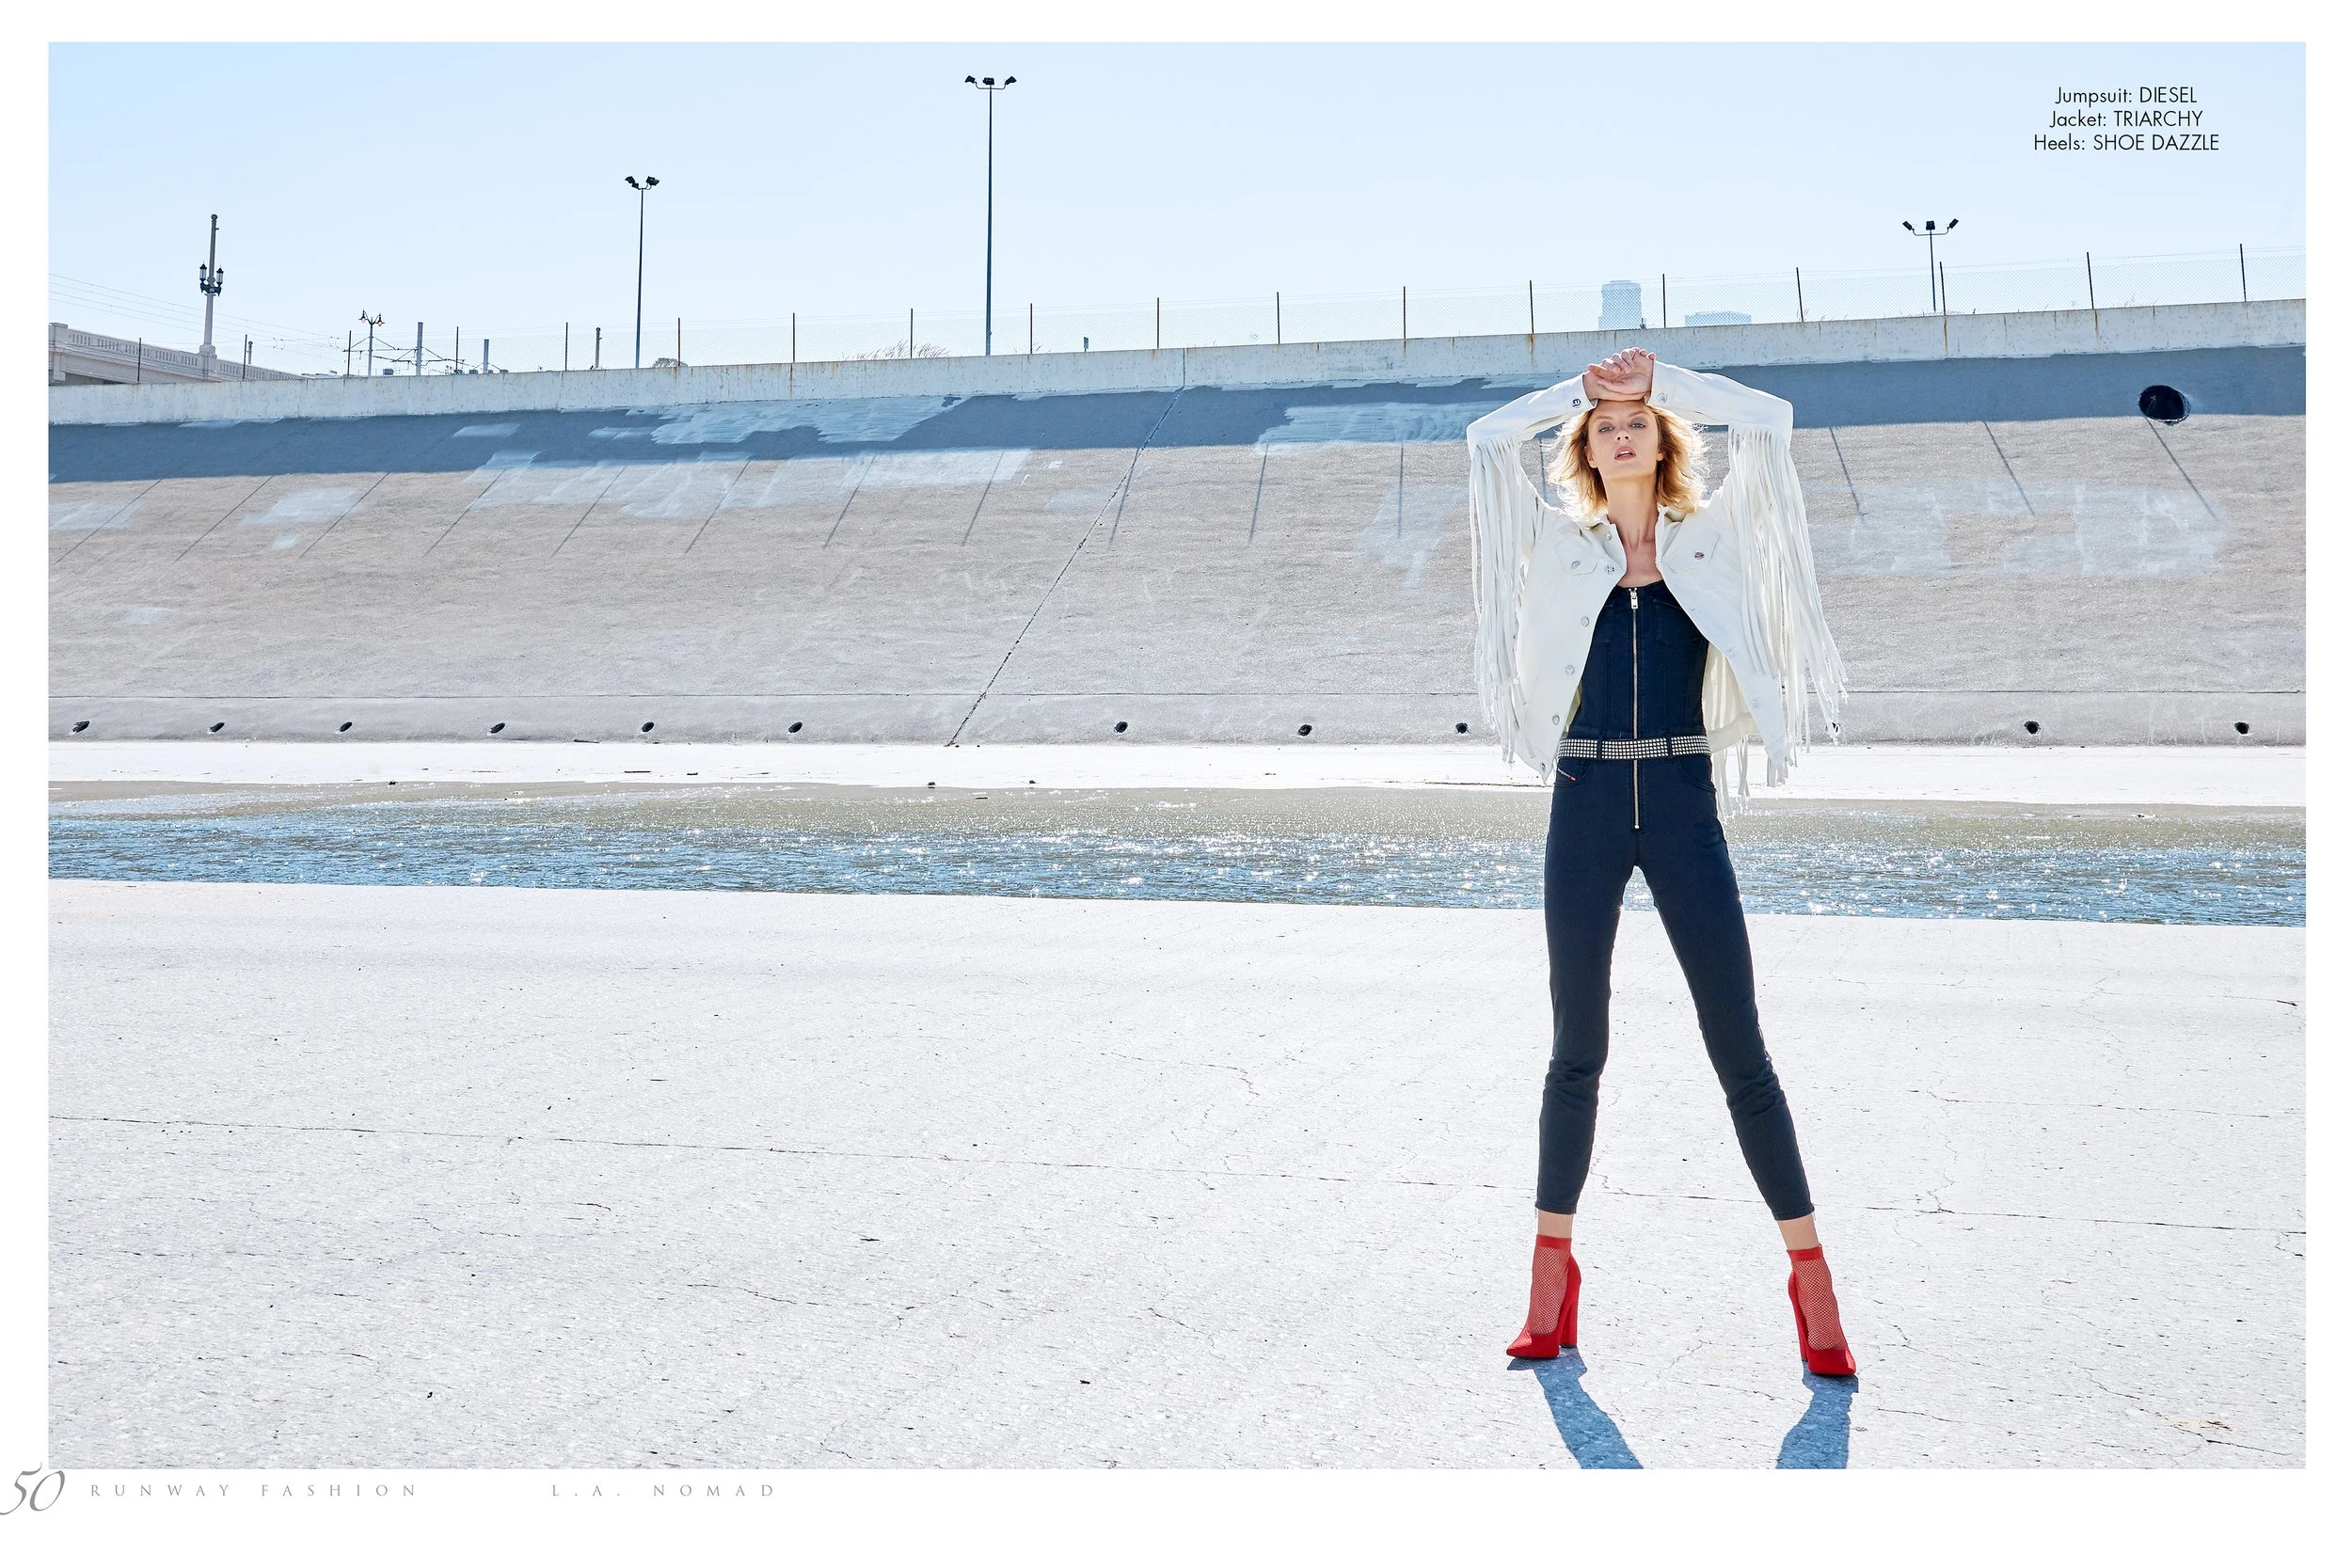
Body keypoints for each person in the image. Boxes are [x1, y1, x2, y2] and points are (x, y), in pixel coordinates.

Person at [1463, 346, 1857, 1376]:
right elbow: (1483, 440)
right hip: (1585, 802)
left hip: (1683, 804)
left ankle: (1811, 1281)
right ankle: (1551, 1281)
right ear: (1586, 450)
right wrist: (1579, 390)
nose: (1622, 432)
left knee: (1741, 1050)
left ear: (1664, 436)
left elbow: (1767, 417)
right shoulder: (1562, 546)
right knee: (1574, 1050)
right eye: (1605, 426)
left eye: (1639, 420)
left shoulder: (1709, 538)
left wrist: (1660, 378)